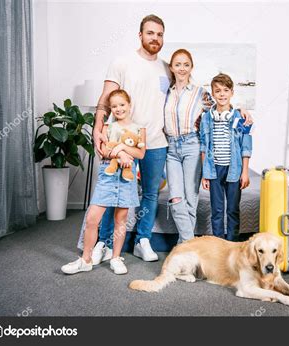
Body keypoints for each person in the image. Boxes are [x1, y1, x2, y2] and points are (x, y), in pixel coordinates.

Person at [91, 15, 170, 262]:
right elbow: (105, 98)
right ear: (140, 35)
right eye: (150, 33)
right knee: (113, 193)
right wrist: (98, 127)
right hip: (122, 143)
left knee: (150, 194)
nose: (155, 38)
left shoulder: (167, 67)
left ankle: (142, 240)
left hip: (156, 141)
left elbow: (188, 96)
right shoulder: (122, 62)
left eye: (159, 34)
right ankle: (103, 243)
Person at [62, 90, 145, 275]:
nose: (118, 109)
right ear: (110, 109)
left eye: (122, 105)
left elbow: (140, 153)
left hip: (126, 178)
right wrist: (121, 153)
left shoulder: (139, 128)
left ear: (129, 105)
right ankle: (86, 259)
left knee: (120, 219)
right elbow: (103, 151)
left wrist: (123, 147)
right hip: (108, 177)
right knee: (92, 219)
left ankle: (115, 257)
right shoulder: (107, 127)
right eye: (114, 106)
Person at [164, 49, 214, 244]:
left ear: (191, 67)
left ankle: (183, 247)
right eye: (178, 64)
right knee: (176, 200)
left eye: (186, 64)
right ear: (171, 67)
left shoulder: (201, 93)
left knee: (190, 201)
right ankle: (191, 246)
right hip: (171, 148)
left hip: (193, 145)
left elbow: (221, 107)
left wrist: (242, 110)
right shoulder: (165, 93)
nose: (182, 68)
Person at [200, 73, 252, 241]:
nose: (222, 94)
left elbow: (246, 146)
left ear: (232, 92)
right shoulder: (206, 118)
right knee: (216, 210)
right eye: (218, 91)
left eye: (226, 90)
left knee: (233, 210)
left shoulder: (240, 118)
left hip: (234, 170)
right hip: (214, 170)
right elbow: (203, 146)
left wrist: (245, 172)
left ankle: (232, 244)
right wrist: (204, 173)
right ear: (213, 94)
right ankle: (218, 244)